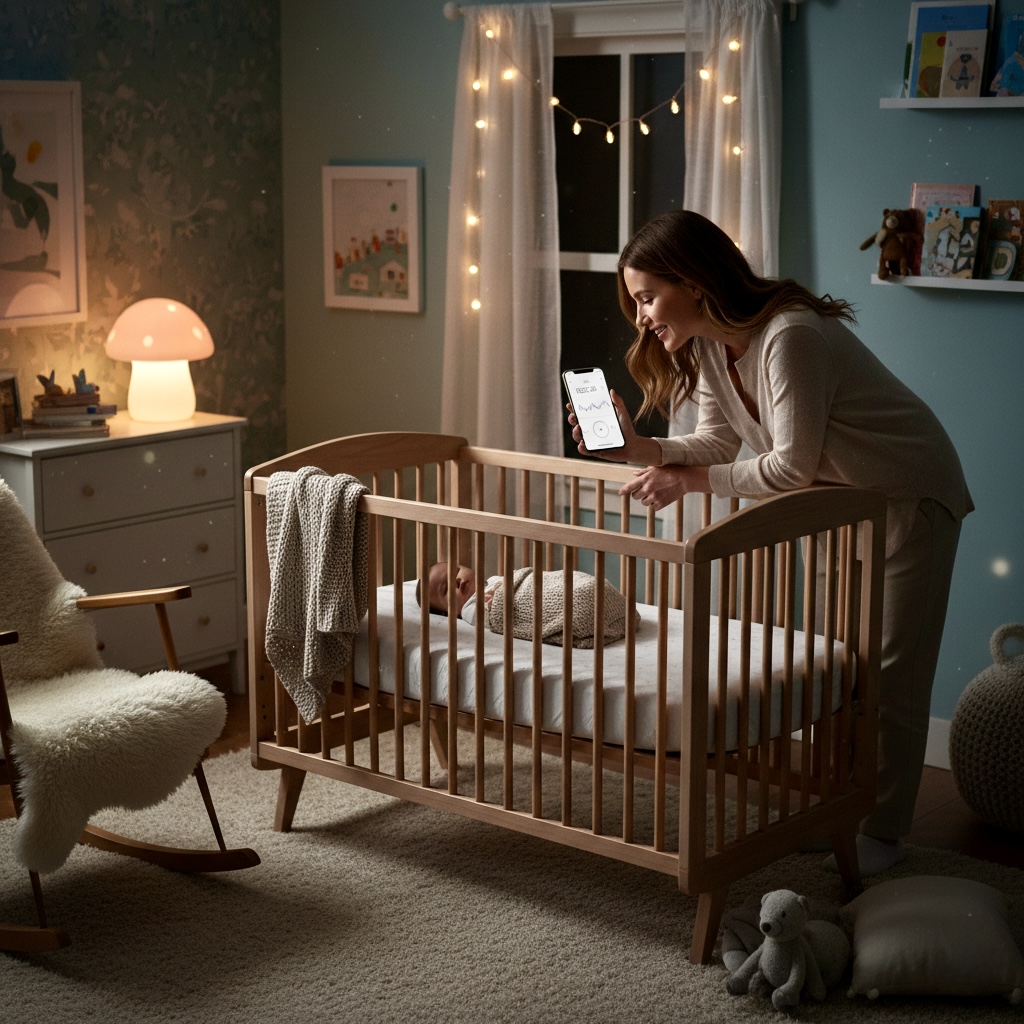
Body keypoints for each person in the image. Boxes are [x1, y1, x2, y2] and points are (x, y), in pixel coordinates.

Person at [567, 209, 973, 877]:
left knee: (891, 677)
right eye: (635, 301)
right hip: (835, 504)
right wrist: (646, 449)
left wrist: (689, 480)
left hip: (907, 495)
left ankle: (885, 832)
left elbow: (788, 464)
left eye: (647, 297)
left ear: (693, 281)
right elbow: (723, 444)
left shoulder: (789, 336)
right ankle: (838, 808)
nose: (641, 317)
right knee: (841, 666)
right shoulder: (707, 346)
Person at [417, 561, 639, 649]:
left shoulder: (493, 581)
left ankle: (604, 600)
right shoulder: (469, 610)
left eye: (457, 571)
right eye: (447, 589)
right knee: (581, 598)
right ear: (448, 613)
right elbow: (495, 619)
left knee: (580, 585)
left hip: (539, 589)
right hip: (530, 606)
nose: (459, 580)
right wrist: (497, 602)